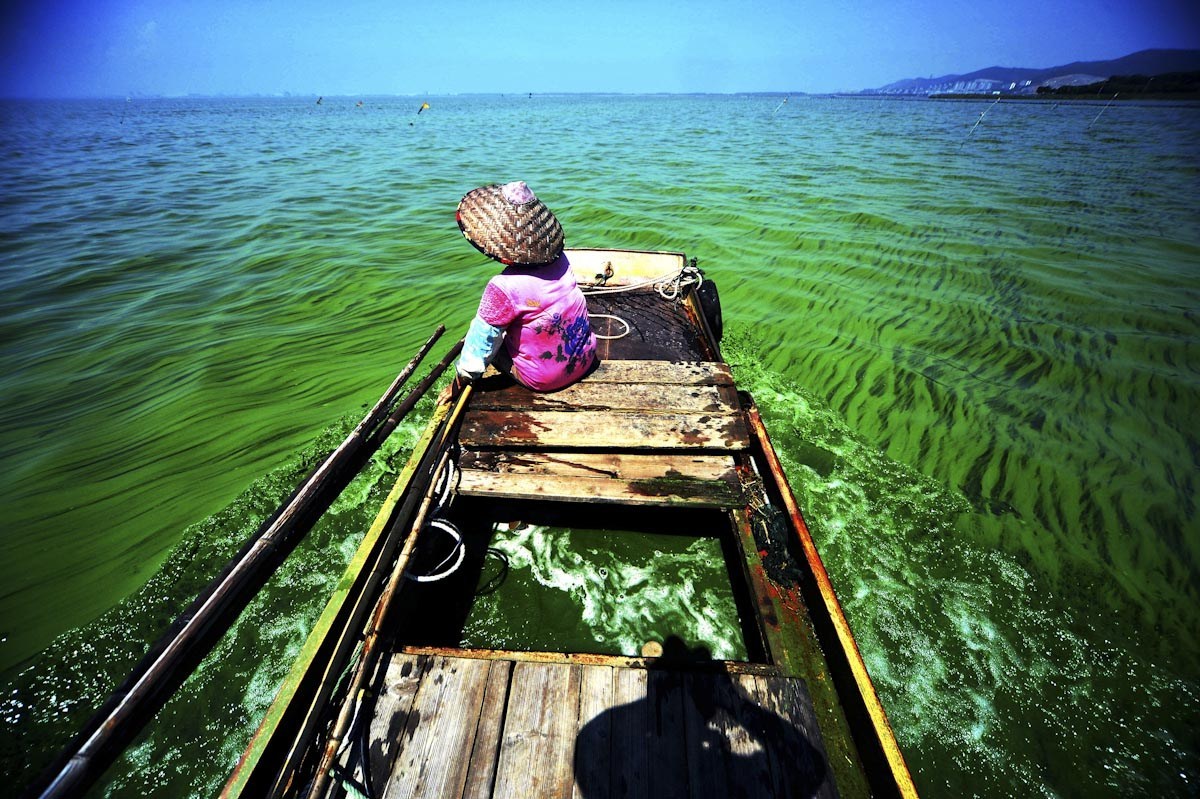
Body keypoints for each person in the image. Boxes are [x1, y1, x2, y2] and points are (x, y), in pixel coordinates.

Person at [452, 181, 598, 391]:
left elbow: (476, 355)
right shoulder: (561, 259)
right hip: (586, 356)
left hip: (547, 379)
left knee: (490, 339)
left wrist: (456, 386)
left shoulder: (503, 287)